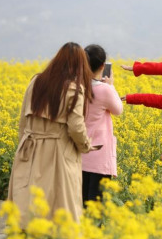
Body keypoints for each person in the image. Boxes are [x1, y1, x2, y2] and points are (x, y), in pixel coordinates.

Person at [8, 42, 99, 229]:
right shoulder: (74, 89)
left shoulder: (36, 81)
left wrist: (22, 146)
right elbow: (76, 126)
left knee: (29, 198)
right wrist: (85, 146)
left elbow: (23, 121)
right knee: (59, 204)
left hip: (30, 147)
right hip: (57, 151)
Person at [82, 44, 123, 206]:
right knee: (96, 205)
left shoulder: (76, 86)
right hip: (98, 156)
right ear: (102, 66)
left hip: (78, 153)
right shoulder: (105, 90)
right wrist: (110, 85)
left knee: (80, 202)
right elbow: (118, 110)